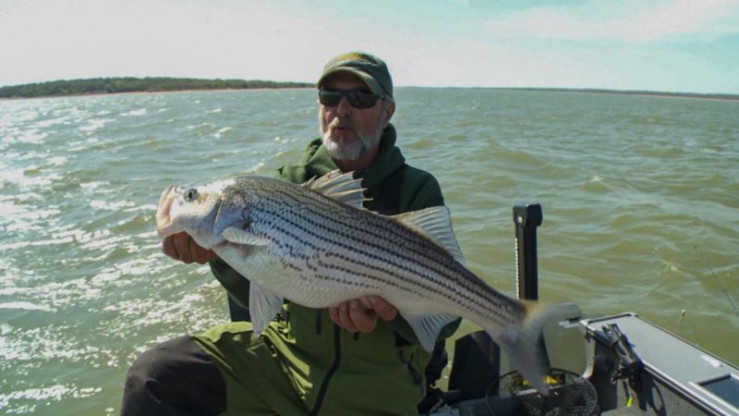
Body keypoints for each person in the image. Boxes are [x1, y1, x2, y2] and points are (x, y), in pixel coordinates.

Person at [120, 51, 459, 416]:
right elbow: (259, 290)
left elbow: (448, 319)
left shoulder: (416, 189)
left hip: (376, 385)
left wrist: (388, 314)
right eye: (330, 96)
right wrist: (213, 255)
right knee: (154, 377)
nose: (341, 109)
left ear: (387, 110)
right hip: (284, 363)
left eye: (360, 98)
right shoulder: (287, 183)